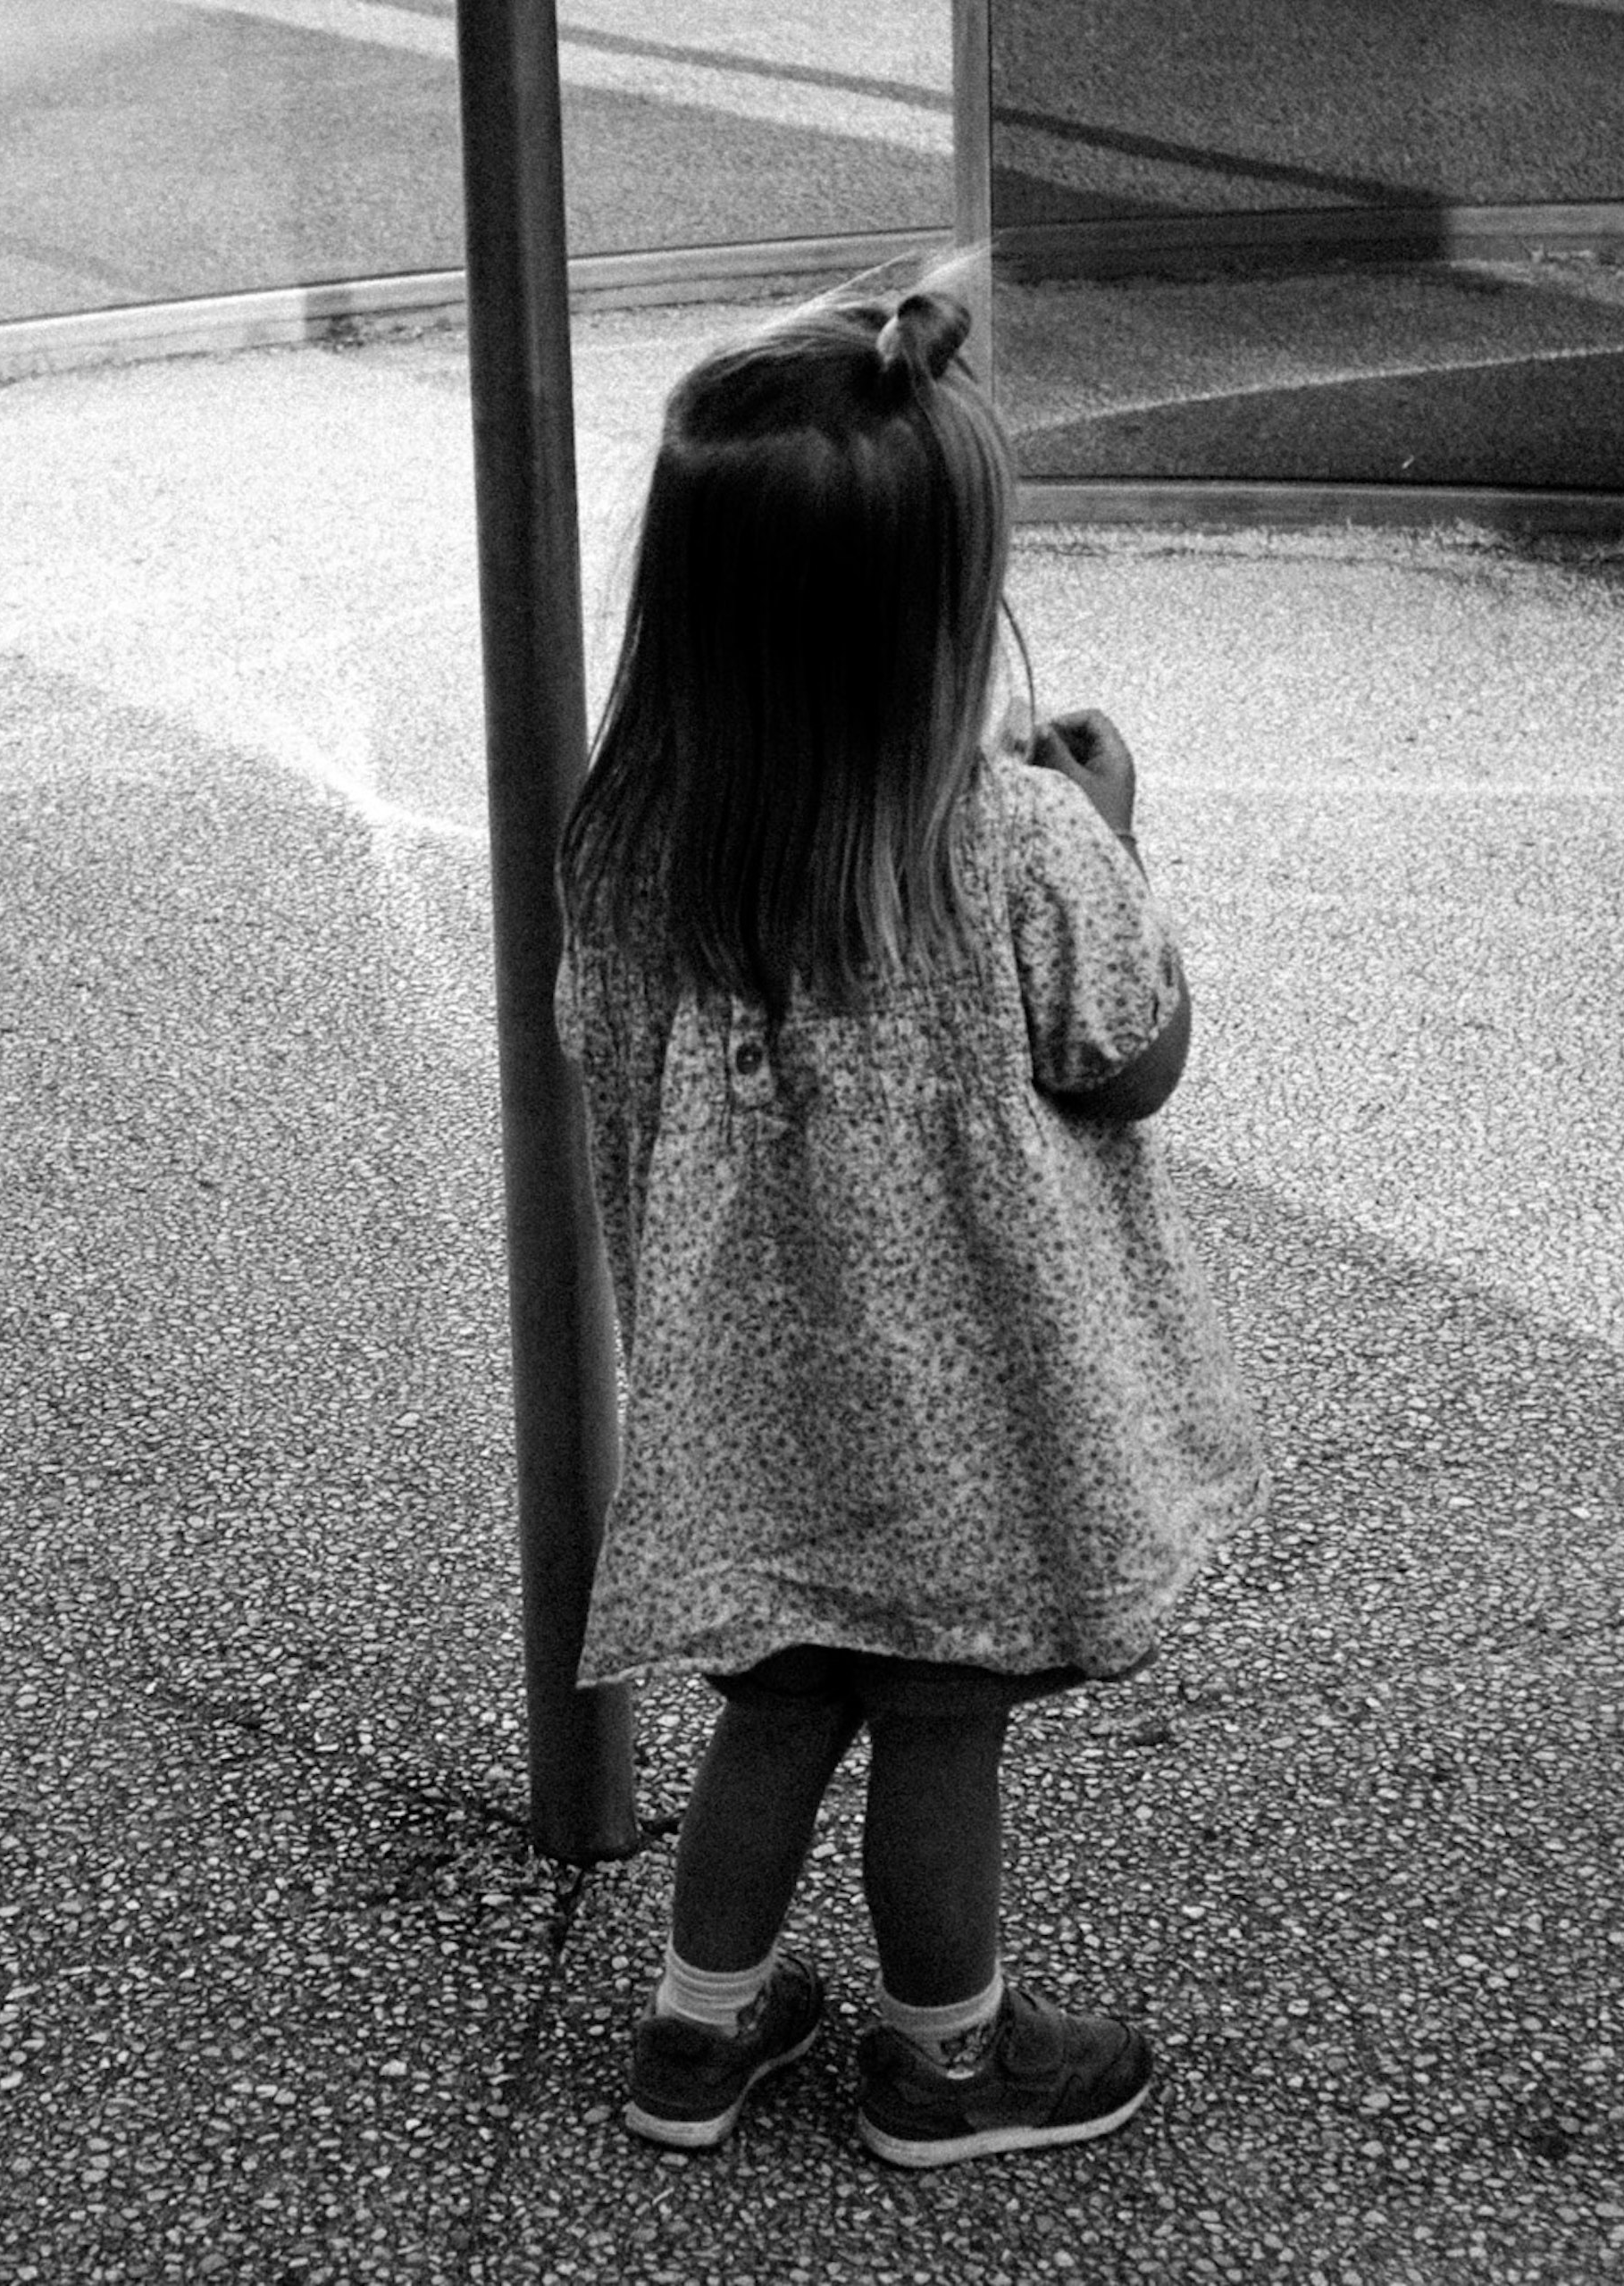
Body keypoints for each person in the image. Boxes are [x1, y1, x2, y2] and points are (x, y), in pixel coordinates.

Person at [552, 277, 1268, 2169]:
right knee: (942, 1725)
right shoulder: (1018, 845)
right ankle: (949, 2060)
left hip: (747, 1424)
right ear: (942, 612)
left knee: (776, 1713)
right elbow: (1133, 1058)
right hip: (965, 1442)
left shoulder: (626, 848)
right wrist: (1116, 829)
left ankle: (695, 2038)